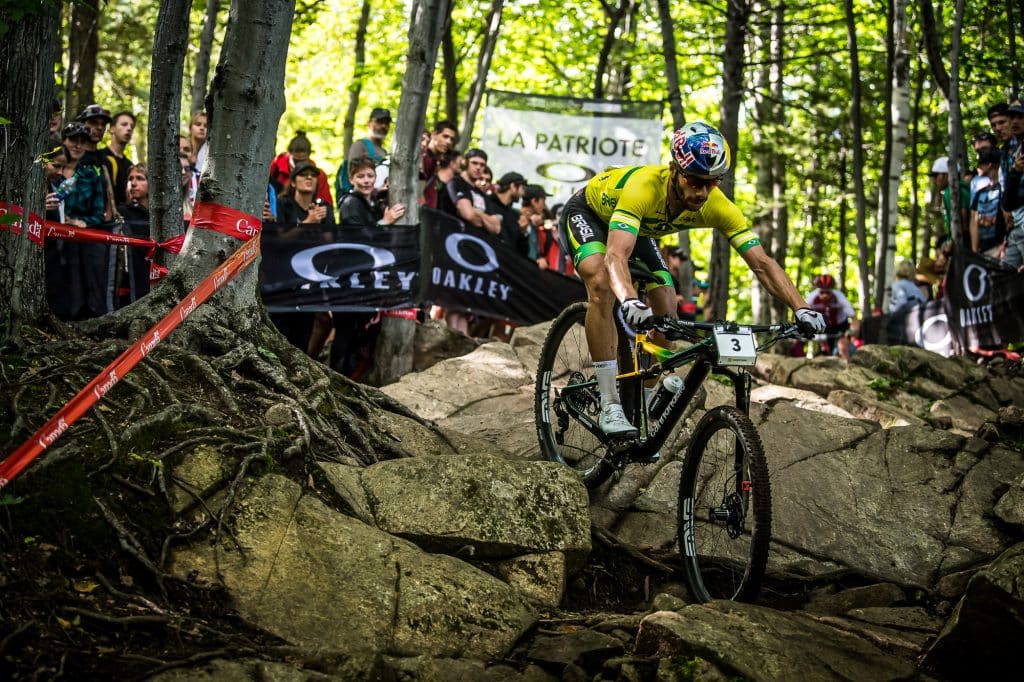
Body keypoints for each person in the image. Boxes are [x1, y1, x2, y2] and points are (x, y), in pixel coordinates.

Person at [560, 121, 825, 436]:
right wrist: (629, 299)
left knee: (668, 314)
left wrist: (801, 307)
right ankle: (609, 404)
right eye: (695, 181)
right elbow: (615, 256)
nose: (701, 192)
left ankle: (640, 403)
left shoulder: (717, 205)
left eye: (712, 183)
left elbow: (762, 263)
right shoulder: (643, 188)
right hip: (588, 214)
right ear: (674, 169)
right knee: (603, 284)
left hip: (639, 229)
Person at [45, 123, 107, 320]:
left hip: (80, 240)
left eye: (83, 142)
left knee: (79, 283)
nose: (78, 146)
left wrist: (82, 222)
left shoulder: (91, 175)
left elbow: (100, 213)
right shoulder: (48, 172)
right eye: (73, 140)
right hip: (49, 239)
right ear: (64, 141)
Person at [336, 107, 391, 198]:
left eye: (386, 123)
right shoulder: (360, 146)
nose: (383, 126)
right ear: (369, 123)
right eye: (379, 122)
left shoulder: (384, 151)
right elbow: (353, 173)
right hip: (360, 200)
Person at [116, 163, 152, 303]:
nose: (134, 183)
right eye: (130, 179)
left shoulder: (161, 216)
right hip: (129, 280)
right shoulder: (121, 212)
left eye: (140, 178)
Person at [269, 130, 333, 207]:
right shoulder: (276, 168)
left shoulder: (318, 175)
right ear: (289, 153)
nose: (299, 165)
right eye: (296, 161)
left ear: (309, 155)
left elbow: (325, 202)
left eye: (303, 161)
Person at [804, 273, 856, 360]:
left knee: (842, 347)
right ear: (817, 290)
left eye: (828, 292)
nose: (825, 295)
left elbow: (854, 318)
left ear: (832, 290)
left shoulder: (840, 297)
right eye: (822, 292)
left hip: (840, 327)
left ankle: (848, 368)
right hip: (822, 328)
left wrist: (852, 331)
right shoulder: (811, 298)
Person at [968, 146, 1006, 257]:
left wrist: (1003, 246)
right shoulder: (980, 192)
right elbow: (973, 221)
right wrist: (974, 250)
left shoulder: (1003, 190)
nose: (977, 167)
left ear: (989, 165)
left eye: (980, 163)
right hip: (983, 250)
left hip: (1001, 248)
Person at [420, 120, 458, 209]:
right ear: (434, 135)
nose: (449, 142)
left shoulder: (436, 162)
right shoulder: (424, 158)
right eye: (445, 136)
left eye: (451, 139)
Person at [100, 111, 135, 205]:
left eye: (132, 126)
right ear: (112, 129)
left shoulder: (130, 165)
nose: (129, 128)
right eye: (124, 124)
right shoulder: (100, 157)